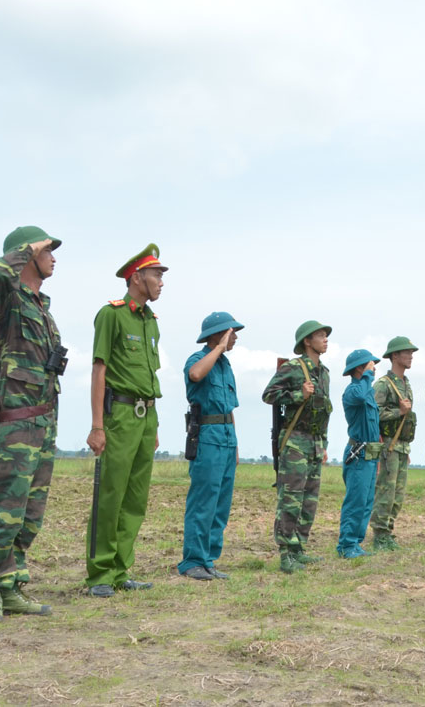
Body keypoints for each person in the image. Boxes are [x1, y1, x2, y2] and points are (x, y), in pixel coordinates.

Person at [0, 226, 65, 625]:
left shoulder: (42, 307)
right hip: (13, 426)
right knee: (4, 510)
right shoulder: (7, 300)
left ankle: (12, 586)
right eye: (49, 249)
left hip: (42, 425)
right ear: (27, 254)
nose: (54, 256)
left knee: (29, 515)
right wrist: (28, 246)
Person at [85, 244, 168, 597]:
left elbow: (149, 375)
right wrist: (97, 425)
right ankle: (100, 574)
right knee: (111, 495)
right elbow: (99, 370)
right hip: (118, 415)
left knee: (135, 498)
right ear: (137, 278)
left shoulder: (151, 322)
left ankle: (121, 571)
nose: (162, 282)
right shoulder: (112, 315)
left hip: (146, 415)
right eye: (157, 275)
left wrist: (155, 425)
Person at [177, 312, 245, 581]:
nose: (236, 337)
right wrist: (217, 347)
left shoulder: (225, 365)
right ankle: (192, 561)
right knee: (203, 501)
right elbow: (195, 375)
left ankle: (208, 560)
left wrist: (236, 445)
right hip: (207, 435)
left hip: (227, 436)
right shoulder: (198, 359)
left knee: (220, 503)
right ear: (218, 334)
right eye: (231, 332)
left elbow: (230, 408)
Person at [263, 320, 334, 573]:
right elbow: (269, 394)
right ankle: (285, 553)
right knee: (291, 499)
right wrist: (297, 395)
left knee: (309, 500)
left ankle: (299, 548)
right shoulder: (294, 368)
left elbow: (323, 411)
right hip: (294, 441)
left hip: (314, 442)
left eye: (326, 335)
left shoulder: (323, 372)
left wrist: (323, 444)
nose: (325, 339)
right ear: (307, 341)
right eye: (320, 335)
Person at [370, 336, 419, 551]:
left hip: (401, 445)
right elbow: (373, 413)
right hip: (388, 445)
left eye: (411, 353)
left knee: (398, 494)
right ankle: (380, 534)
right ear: (395, 356)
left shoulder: (405, 384)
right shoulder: (383, 384)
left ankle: (388, 531)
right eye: (406, 352)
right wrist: (399, 411)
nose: (410, 356)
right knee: (385, 492)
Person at [337, 349, 383, 559]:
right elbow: (361, 395)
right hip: (358, 453)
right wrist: (368, 375)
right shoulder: (353, 391)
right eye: (369, 364)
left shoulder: (367, 391)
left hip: (371, 453)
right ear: (359, 368)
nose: (374, 368)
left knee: (366, 501)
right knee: (355, 500)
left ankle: (356, 543)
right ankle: (346, 545)